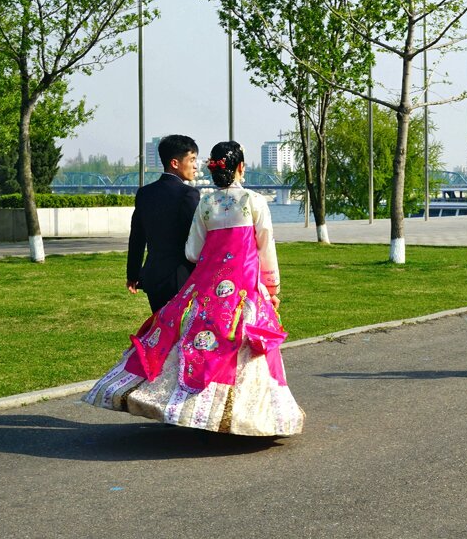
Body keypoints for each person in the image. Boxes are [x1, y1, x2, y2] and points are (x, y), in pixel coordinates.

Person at [86, 141, 305, 436]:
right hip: (244, 287)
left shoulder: (206, 203)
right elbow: (267, 247)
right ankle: (249, 415)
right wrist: (272, 287)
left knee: (189, 338)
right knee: (245, 342)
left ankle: (190, 406)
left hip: (208, 286)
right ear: (241, 167)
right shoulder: (254, 201)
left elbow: (192, 251)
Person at [127, 134, 201, 313]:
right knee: (183, 328)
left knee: (160, 326)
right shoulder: (188, 194)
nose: (195, 166)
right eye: (192, 160)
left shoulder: (145, 193)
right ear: (175, 163)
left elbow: (137, 237)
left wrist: (133, 274)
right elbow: (197, 237)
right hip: (182, 278)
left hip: (153, 277)